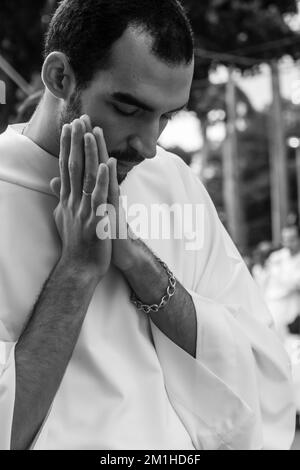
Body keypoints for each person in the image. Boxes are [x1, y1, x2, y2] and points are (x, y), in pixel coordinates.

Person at [0, 0, 295, 450]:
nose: (149, 145)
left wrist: (138, 261)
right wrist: (78, 269)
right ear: (60, 77)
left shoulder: (173, 180)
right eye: (129, 108)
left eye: (166, 116)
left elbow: (262, 374)